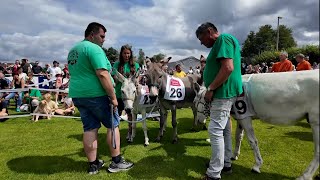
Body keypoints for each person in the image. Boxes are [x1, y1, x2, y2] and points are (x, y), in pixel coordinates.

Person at [67, 22, 134, 174]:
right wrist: (113, 97)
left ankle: (93, 164)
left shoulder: (73, 50)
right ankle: (116, 161)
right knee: (113, 125)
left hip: (78, 95)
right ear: (92, 34)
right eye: (102, 36)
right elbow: (103, 74)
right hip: (97, 95)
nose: (104, 40)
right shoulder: (94, 49)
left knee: (90, 128)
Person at [196, 22, 243, 180]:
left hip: (222, 92)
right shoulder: (224, 41)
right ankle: (226, 163)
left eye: (202, 38)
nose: (201, 43)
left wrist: (211, 88)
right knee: (224, 130)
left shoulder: (223, 39)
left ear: (210, 32)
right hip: (225, 91)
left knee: (214, 130)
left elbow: (228, 67)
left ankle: (214, 173)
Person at [112, 44, 140, 116]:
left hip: (130, 97)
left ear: (131, 54)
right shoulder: (116, 64)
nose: (126, 55)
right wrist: (119, 79)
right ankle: (116, 127)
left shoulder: (135, 65)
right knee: (116, 117)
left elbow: (138, 77)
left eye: (128, 53)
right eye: (124, 53)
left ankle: (130, 127)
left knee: (131, 116)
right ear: (121, 54)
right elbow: (113, 77)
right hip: (119, 94)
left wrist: (137, 81)